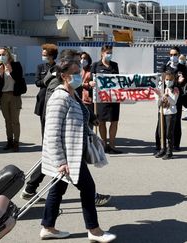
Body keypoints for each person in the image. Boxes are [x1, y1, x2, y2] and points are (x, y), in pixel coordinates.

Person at [21, 49, 111, 207]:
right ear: (65, 63)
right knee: (58, 159)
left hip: (70, 130)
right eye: (76, 61)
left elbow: (77, 101)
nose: (79, 64)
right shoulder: (59, 80)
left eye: (79, 62)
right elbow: (55, 108)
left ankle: (32, 191)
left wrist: (91, 116)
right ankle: (91, 195)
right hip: (59, 126)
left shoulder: (70, 76)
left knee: (59, 171)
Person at [39, 58, 116, 242]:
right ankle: (94, 230)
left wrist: (91, 132)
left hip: (74, 152)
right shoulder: (59, 97)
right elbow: (51, 132)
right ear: (64, 76)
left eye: (79, 70)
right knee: (88, 188)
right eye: (74, 72)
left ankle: (48, 227)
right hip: (67, 157)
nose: (79, 74)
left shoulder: (72, 94)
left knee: (57, 190)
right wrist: (60, 161)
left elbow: (78, 120)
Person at [90, 45, 122, 154]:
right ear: (102, 53)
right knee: (101, 122)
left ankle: (112, 145)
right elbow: (90, 80)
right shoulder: (95, 65)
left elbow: (118, 80)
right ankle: (103, 145)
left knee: (114, 121)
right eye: (108, 52)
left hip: (113, 98)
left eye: (111, 52)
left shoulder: (114, 65)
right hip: (101, 98)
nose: (109, 54)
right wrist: (91, 83)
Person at [0, 47, 26, 152]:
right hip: (3, 96)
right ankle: (9, 141)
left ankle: (16, 142)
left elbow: (19, 79)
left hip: (14, 95)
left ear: (8, 54)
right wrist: (1, 74)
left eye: (3, 54)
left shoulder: (16, 65)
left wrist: (11, 71)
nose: (1, 56)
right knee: (7, 121)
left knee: (15, 121)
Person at [159, 46, 187, 151]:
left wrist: (181, 81)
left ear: (179, 55)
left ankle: (175, 144)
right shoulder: (165, 67)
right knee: (162, 121)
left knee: (176, 121)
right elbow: (161, 82)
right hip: (165, 97)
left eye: (175, 55)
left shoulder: (182, 67)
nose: (173, 57)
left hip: (176, 97)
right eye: (171, 55)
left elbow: (185, 81)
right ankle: (161, 145)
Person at [154, 71, 179, 160]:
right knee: (161, 132)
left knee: (169, 133)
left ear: (173, 80)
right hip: (162, 112)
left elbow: (174, 102)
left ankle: (169, 151)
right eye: (167, 79)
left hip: (171, 113)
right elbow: (157, 102)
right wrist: (159, 96)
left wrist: (167, 96)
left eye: (170, 80)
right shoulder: (161, 88)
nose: (168, 81)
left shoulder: (175, 89)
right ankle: (163, 149)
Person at [34, 44, 58, 138]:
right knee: (43, 122)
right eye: (42, 54)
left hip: (55, 97)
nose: (43, 57)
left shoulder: (58, 67)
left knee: (54, 123)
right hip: (43, 98)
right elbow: (37, 82)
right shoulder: (40, 67)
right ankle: (45, 144)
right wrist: (49, 79)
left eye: (45, 55)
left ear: (51, 56)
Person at [77, 51, 96, 130]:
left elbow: (93, 84)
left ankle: (90, 138)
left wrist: (85, 84)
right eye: (81, 58)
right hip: (78, 98)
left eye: (85, 58)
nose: (82, 60)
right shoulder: (77, 69)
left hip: (88, 98)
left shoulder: (91, 70)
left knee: (89, 119)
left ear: (88, 60)